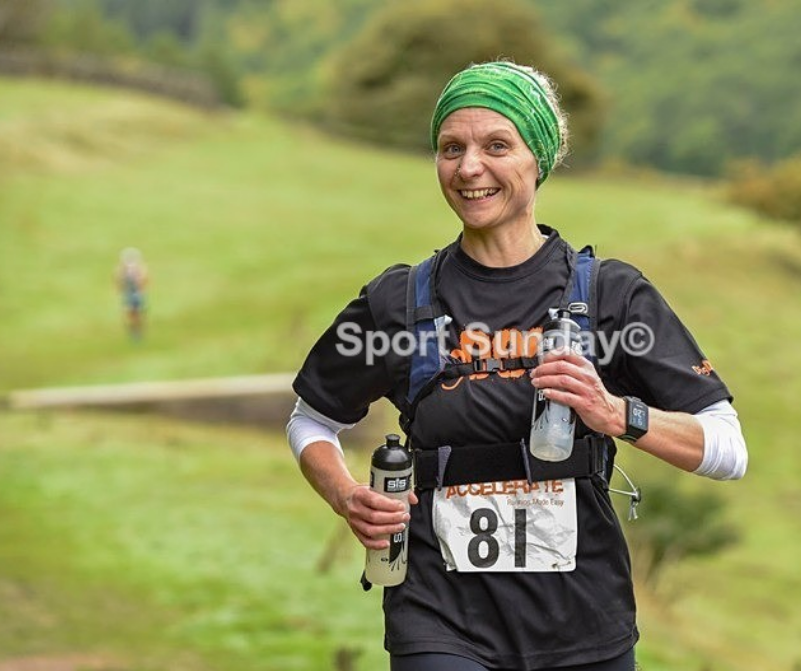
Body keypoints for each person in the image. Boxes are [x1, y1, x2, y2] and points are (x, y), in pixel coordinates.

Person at [287, 60, 748, 671]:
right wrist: (346, 496)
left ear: (539, 157)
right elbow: (310, 421)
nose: (469, 167)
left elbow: (727, 447)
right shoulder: (395, 302)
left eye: (496, 145)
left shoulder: (613, 297)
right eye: (451, 148)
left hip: (585, 624)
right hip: (439, 617)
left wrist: (616, 414)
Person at [116, 247, 148, 341]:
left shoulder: (140, 271)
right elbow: (119, 282)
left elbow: (145, 282)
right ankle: (134, 330)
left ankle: (138, 330)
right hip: (129, 294)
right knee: (130, 313)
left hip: (136, 294)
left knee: (138, 312)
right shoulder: (122, 271)